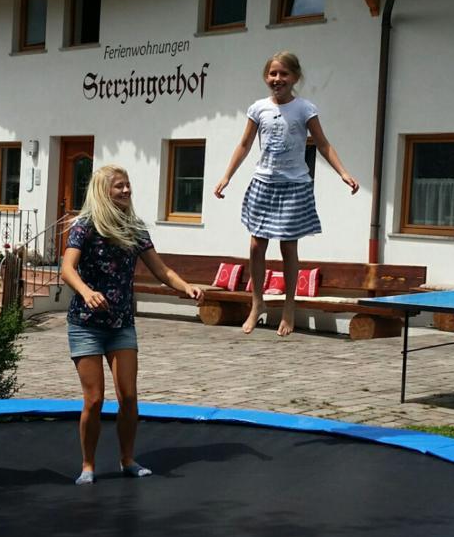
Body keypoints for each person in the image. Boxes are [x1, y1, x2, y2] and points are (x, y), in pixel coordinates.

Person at [61, 165, 204, 485]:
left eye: (128, 186)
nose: (126, 191)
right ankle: (87, 465)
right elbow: (67, 269)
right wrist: (86, 292)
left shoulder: (135, 228)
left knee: (128, 397)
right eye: (118, 187)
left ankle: (127, 459)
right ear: (103, 191)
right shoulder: (84, 226)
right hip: (85, 323)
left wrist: (186, 287)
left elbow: (162, 270)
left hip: (121, 323)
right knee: (94, 399)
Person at [214, 51, 359, 337]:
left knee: (288, 246)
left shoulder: (305, 109)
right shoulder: (258, 108)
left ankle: (289, 307)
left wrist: (343, 172)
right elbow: (244, 144)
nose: (277, 79)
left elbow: (322, 143)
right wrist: (226, 176)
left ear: (294, 77)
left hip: (294, 184)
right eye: (272, 74)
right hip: (264, 182)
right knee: (257, 245)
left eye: (283, 74)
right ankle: (257, 304)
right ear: (266, 77)